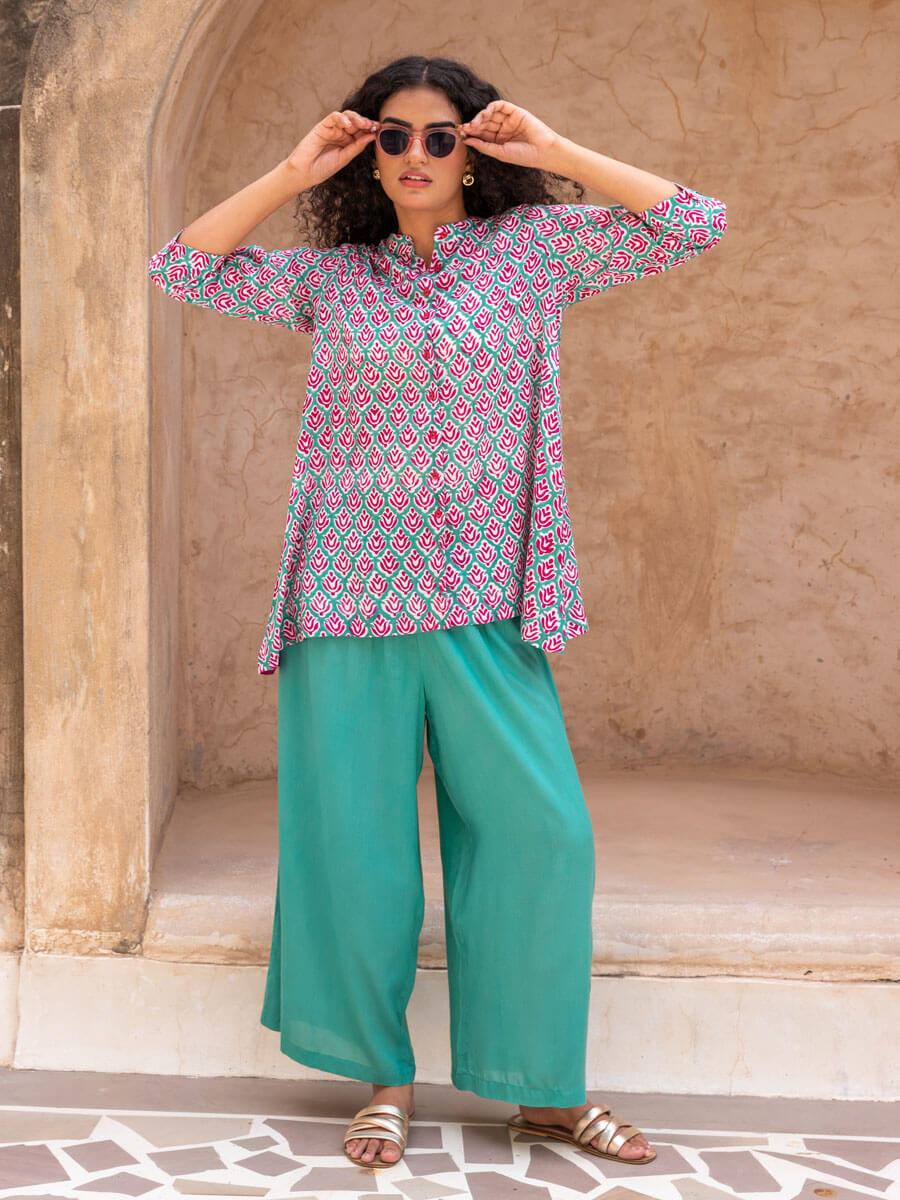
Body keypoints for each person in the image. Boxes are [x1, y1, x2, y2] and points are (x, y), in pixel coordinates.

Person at [148, 53, 726, 1172]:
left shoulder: (533, 252)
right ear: (370, 154)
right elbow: (182, 267)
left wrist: (551, 151)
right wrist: (294, 168)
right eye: (393, 136)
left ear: (472, 152)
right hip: (345, 599)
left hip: (484, 601)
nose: (416, 154)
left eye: (440, 136)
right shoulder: (335, 279)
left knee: (541, 836)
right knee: (354, 851)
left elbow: (694, 221)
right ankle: (385, 1081)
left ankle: (544, 1093)